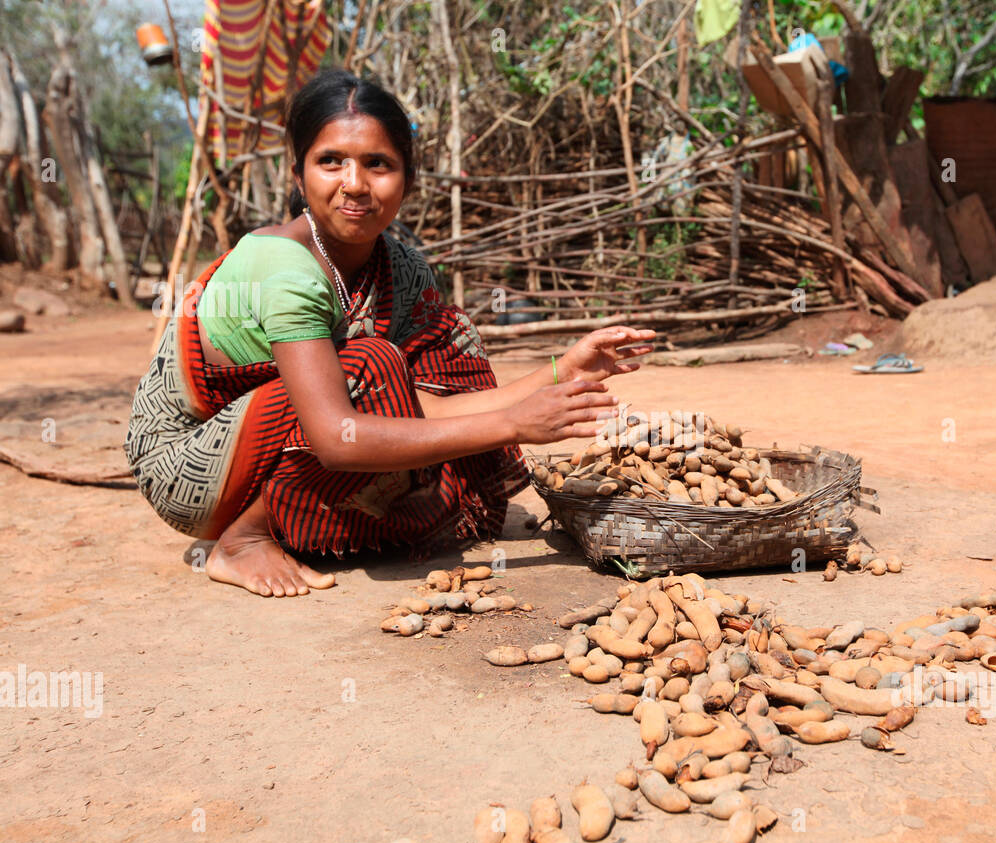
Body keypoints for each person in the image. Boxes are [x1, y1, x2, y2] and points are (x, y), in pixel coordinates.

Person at [125, 69, 654, 597]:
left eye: (378, 164)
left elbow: (415, 405)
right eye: (330, 161)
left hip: (287, 441)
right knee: (370, 365)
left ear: (408, 178)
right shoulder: (283, 268)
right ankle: (244, 538)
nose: (354, 183)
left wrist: (561, 369)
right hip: (188, 464)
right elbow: (337, 436)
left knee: (445, 342)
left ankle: (308, 517)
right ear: (298, 174)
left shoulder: (398, 266)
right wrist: (513, 424)